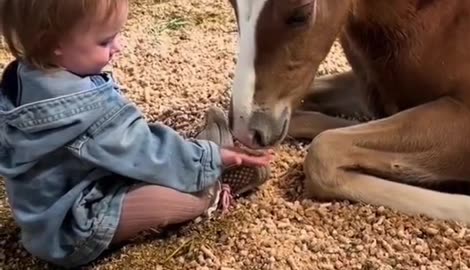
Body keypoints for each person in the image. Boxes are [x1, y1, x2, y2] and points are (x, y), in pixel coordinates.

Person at [0, 0, 272, 268]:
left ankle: (200, 158)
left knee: (159, 162)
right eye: (105, 42)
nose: (119, 46)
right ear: (53, 44)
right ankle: (212, 186)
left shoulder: (24, 77)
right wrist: (213, 158)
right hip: (73, 230)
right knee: (183, 195)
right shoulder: (84, 108)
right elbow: (146, 150)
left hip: (50, 214)